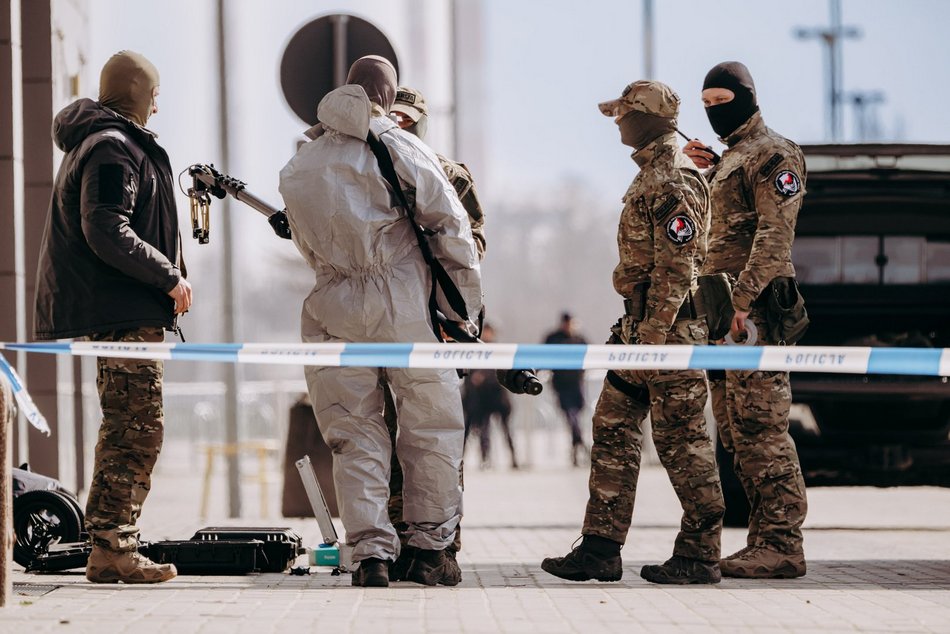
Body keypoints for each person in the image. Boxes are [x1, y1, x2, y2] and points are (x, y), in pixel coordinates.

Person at [279, 56, 482, 588]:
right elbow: (451, 230)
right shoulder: (401, 145)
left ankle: (371, 555)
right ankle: (430, 550)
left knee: (354, 433)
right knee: (430, 430)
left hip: (331, 308)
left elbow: (306, 245)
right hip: (403, 305)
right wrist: (465, 313)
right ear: (388, 97)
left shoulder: (303, 161)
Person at [541, 80, 724, 585]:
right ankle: (600, 547)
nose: (617, 122)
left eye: (624, 113)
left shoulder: (672, 176)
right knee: (613, 429)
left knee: (681, 442)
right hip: (641, 328)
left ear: (646, 117)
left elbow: (679, 262)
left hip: (669, 332)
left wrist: (653, 339)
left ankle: (700, 553)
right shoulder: (652, 171)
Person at [33, 50, 189, 584]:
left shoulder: (105, 143)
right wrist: (168, 275)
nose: (158, 104)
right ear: (137, 91)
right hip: (123, 311)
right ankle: (112, 547)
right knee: (136, 430)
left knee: (128, 426)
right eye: (155, 93)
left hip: (122, 309)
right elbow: (105, 227)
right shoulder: (111, 147)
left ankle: (109, 546)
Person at [683, 61, 809, 579]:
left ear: (747, 96)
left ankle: (782, 543)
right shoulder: (733, 158)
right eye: (707, 104)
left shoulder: (775, 153)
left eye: (722, 101)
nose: (714, 111)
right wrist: (712, 169)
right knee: (736, 431)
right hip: (724, 317)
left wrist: (741, 300)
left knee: (763, 428)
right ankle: (763, 540)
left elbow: (773, 236)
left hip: (752, 313)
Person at [381, 85, 488, 584]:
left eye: (408, 119)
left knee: (436, 438)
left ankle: (443, 548)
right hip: (387, 321)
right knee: (389, 433)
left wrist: (453, 312)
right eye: (392, 117)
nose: (400, 126)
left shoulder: (449, 174)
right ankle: (406, 539)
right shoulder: (367, 168)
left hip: (438, 322)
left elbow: (473, 244)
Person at [461, 324, 517, 470]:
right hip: (481, 399)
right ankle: (484, 459)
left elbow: (503, 373)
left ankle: (514, 458)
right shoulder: (474, 349)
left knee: (506, 431)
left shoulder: (498, 350)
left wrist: (483, 376)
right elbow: (468, 375)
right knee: (483, 431)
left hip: (498, 397)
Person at [543, 313, 589, 466]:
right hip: (562, 386)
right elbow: (542, 356)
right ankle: (580, 445)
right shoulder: (554, 338)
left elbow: (590, 356)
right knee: (571, 416)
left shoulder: (579, 339)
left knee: (576, 417)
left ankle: (577, 446)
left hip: (577, 385)